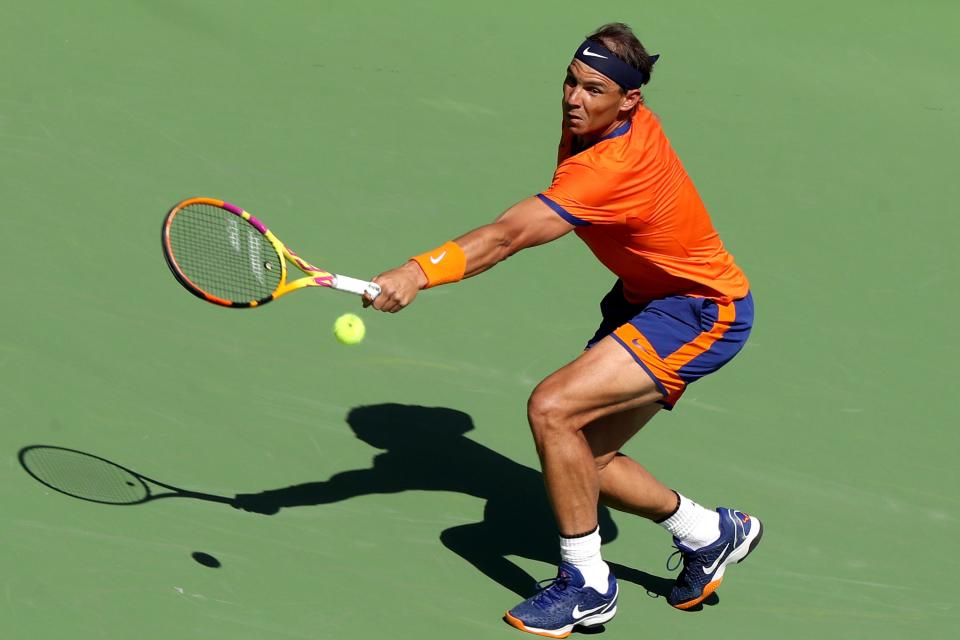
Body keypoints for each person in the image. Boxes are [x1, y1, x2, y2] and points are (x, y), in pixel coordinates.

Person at [363, 22, 763, 638]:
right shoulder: (597, 121)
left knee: (552, 410)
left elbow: (507, 236)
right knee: (583, 458)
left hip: (700, 310)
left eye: (594, 90)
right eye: (570, 83)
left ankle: (587, 586)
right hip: (641, 299)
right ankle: (709, 533)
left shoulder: (614, 164)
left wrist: (418, 272)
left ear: (630, 100)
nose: (574, 100)